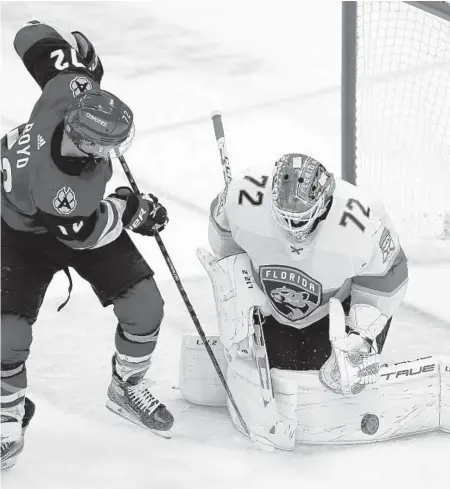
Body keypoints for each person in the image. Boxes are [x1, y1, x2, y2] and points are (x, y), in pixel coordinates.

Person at [1, 21, 173, 470]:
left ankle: (126, 385)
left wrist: (85, 67)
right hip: (20, 235)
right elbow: (87, 231)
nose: (117, 151)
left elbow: (32, 38)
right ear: (85, 143)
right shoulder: (61, 190)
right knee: (6, 338)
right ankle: (6, 414)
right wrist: (131, 207)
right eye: (109, 144)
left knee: (146, 307)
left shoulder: (71, 93)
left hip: (70, 219)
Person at [197, 152, 408, 448]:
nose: (292, 231)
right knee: (278, 363)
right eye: (284, 218)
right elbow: (226, 242)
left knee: (336, 373)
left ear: (323, 205)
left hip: (333, 311)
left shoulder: (364, 222)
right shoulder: (240, 199)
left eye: (300, 220)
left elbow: (387, 277)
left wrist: (361, 336)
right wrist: (239, 286)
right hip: (274, 308)